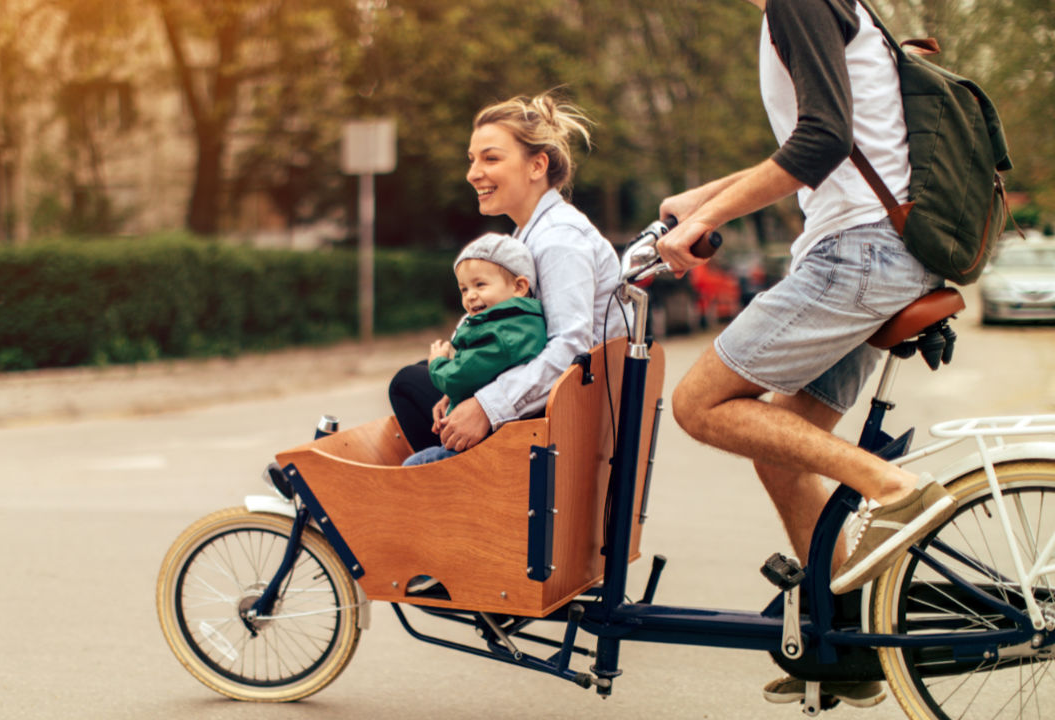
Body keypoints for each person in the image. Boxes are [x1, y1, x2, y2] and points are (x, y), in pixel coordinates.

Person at [653, 0, 958, 707]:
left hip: (861, 252)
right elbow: (818, 143)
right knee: (780, 447)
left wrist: (708, 217)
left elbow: (823, 140)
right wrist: (700, 197)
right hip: (879, 249)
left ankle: (895, 490)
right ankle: (846, 636)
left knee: (699, 404)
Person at [389, 91, 626, 457]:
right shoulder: (531, 234)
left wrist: (486, 407)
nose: (473, 174)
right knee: (425, 378)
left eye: (491, 158)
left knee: (408, 384)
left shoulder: (560, 240)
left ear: (537, 166)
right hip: (554, 413)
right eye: (472, 160)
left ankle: (454, 477)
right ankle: (449, 472)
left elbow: (572, 349)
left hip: (565, 425)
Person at [403, 233, 547, 466]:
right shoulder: (520, 324)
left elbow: (457, 377)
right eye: (464, 289)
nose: (470, 296)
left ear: (519, 287)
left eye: (480, 285)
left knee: (412, 467)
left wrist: (437, 362)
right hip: (500, 434)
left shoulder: (499, 335)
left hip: (487, 442)